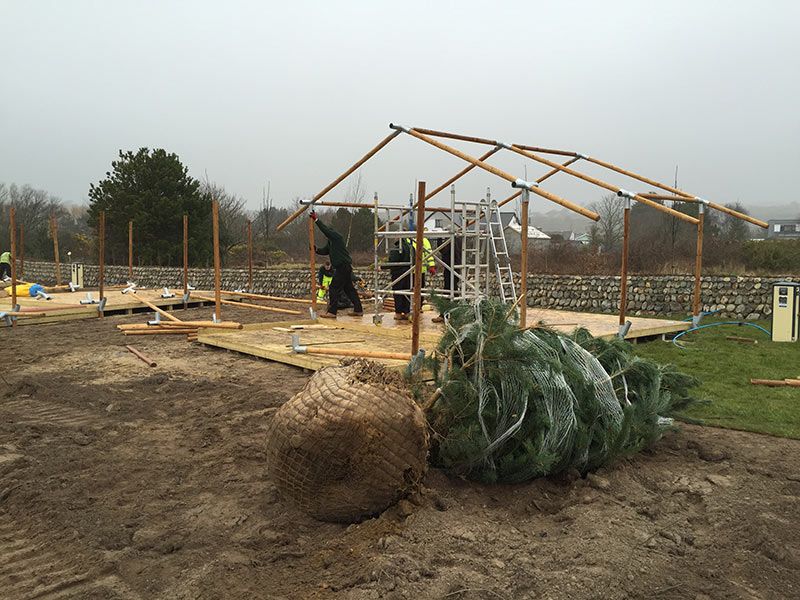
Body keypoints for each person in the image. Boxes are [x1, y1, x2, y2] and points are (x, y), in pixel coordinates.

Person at [311, 210, 363, 319]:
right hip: (344, 267)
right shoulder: (331, 242)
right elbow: (325, 251)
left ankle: (332, 312)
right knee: (349, 289)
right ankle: (358, 309)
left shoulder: (336, 237)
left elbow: (325, 230)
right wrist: (316, 250)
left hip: (342, 267)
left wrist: (316, 220)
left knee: (333, 288)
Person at [432, 236, 463, 323]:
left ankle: (445, 315)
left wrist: (439, 239)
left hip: (450, 268)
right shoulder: (459, 240)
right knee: (453, 291)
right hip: (455, 267)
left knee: (448, 291)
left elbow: (442, 250)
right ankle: (453, 314)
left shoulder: (452, 241)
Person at [381, 238, 412, 321]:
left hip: (398, 274)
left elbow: (393, 262)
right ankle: (407, 312)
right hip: (409, 273)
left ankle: (398, 313)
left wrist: (381, 266)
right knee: (407, 293)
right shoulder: (411, 247)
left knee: (398, 294)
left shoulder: (397, 249)